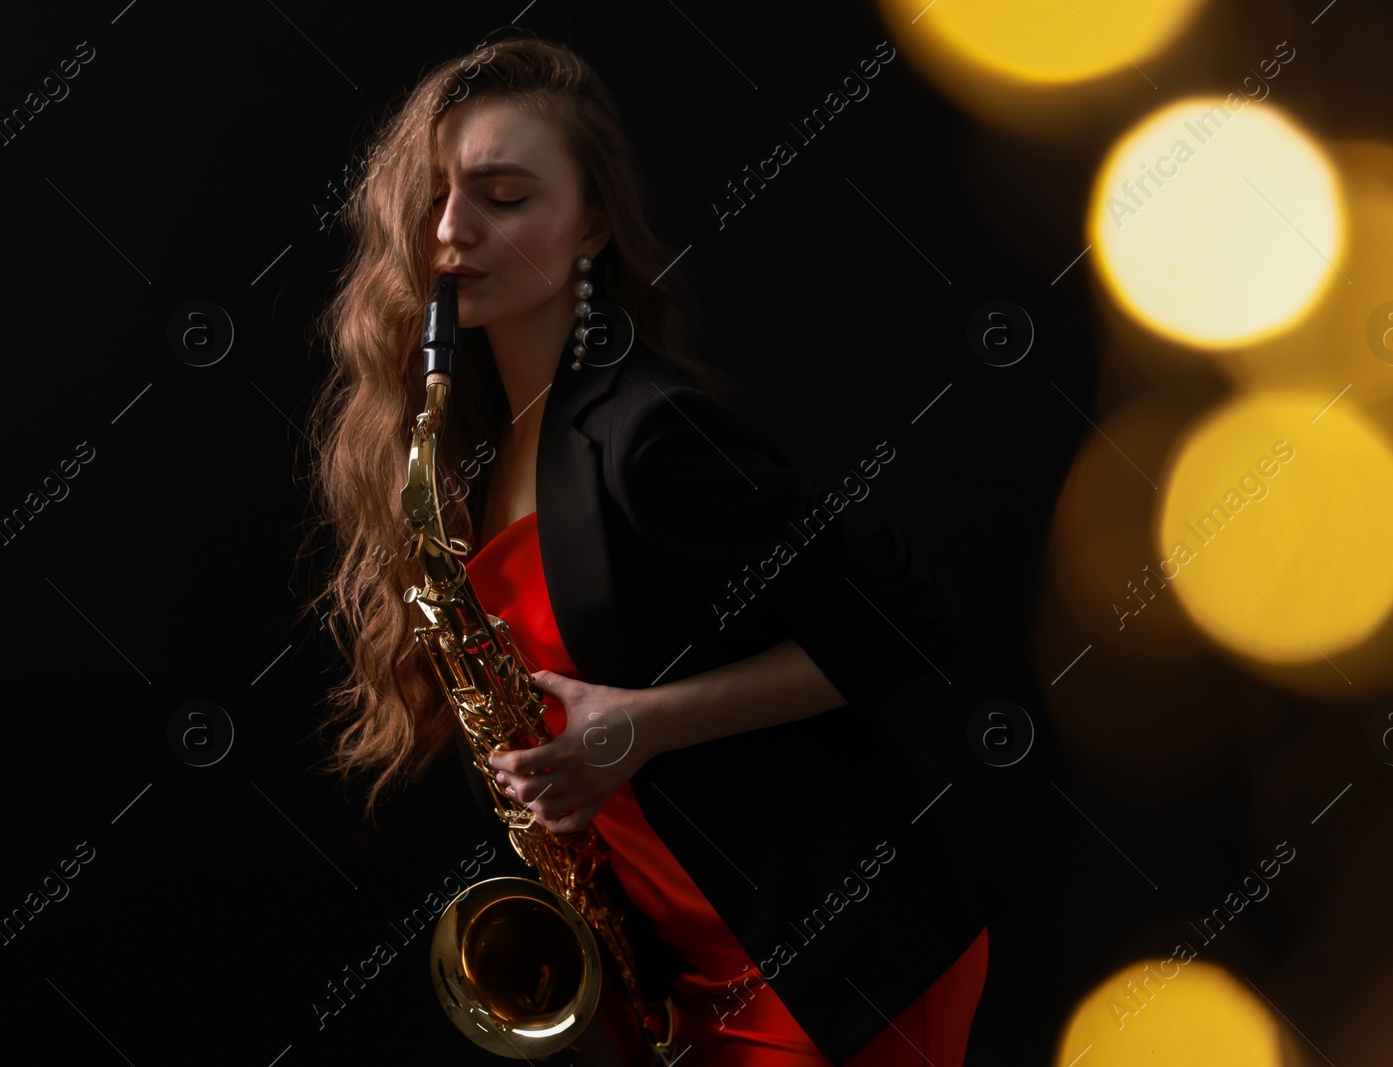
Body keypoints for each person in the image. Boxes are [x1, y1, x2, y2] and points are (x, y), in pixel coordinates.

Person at [300, 30, 1004, 1066]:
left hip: (833, 956)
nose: (451, 231)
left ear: (590, 224)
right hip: (688, 971)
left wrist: (641, 725)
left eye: (503, 197)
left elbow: (908, 614)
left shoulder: (651, 433)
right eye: (435, 197)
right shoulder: (466, 459)